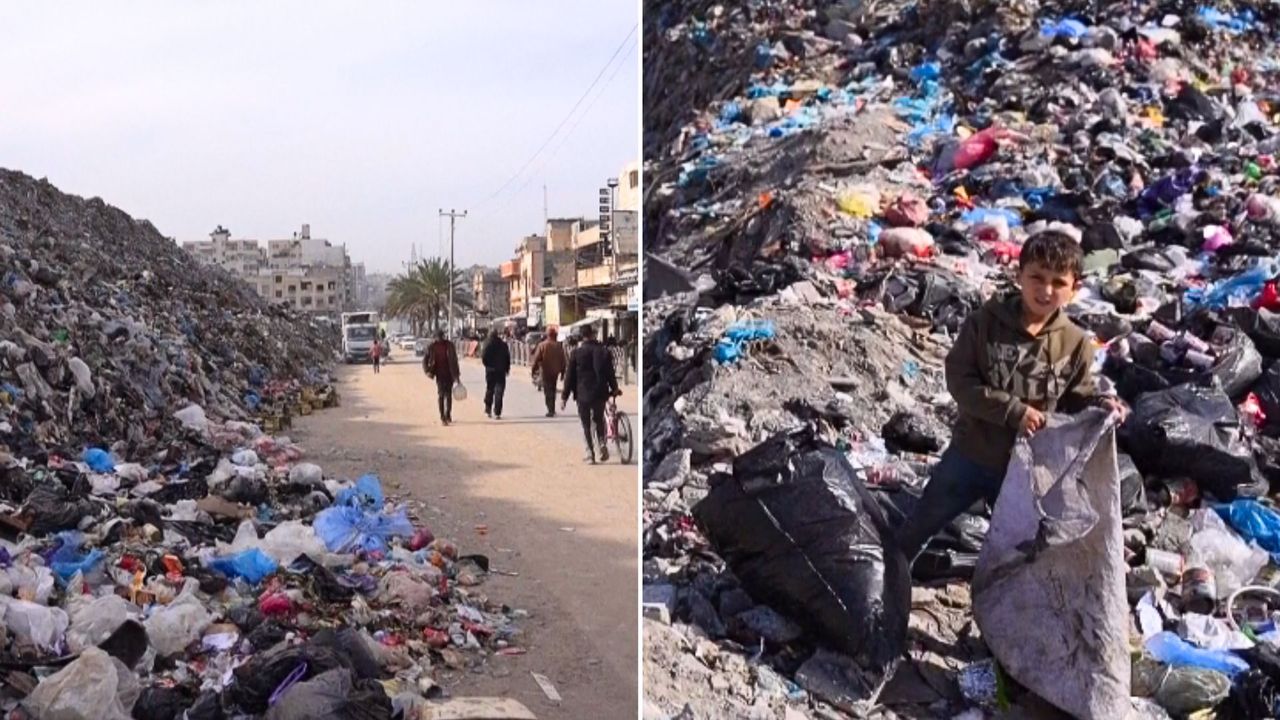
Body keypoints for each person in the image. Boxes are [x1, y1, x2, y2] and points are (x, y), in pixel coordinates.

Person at [896, 231, 1128, 562]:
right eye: (1037, 277)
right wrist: (1013, 411)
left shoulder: (1075, 343)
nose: (1046, 291)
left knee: (1022, 554)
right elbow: (960, 382)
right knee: (917, 530)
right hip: (971, 454)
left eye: (1058, 282)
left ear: (1075, 288)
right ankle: (889, 596)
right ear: (1019, 275)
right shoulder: (984, 324)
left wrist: (1101, 404)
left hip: (1025, 470)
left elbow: (1075, 398)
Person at [562, 324, 620, 463]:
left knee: (586, 424)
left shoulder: (576, 353)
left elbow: (569, 376)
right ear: (593, 335)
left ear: (582, 337)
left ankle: (590, 455)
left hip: (583, 394)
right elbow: (610, 373)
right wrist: (615, 388)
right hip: (600, 392)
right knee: (598, 420)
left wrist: (564, 397)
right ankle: (602, 444)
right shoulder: (603, 351)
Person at [423, 330, 460, 425]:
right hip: (439, 375)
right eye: (438, 337)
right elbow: (425, 359)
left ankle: (448, 415)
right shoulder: (432, 347)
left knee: (448, 395)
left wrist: (456, 375)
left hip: (449, 374)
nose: (439, 338)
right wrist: (427, 371)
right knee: (441, 395)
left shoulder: (450, 345)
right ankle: (442, 417)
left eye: (441, 336)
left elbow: (454, 361)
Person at [531, 327, 567, 417]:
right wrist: (562, 372)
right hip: (555, 372)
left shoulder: (542, 345)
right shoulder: (558, 346)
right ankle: (552, 408)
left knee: (548, 390)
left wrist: (533, 370)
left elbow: (536, 359)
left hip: (545, 371)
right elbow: (563, 360)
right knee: (552, 389)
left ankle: (550, 409)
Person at [481, 326, 511, 419]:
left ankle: (488, 408)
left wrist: (487, 365)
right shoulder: (503, 344)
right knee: (499, 391)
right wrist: (507, 369)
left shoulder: (487, 343)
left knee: (490, 389)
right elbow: (507, 358)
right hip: (501, 371)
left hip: (490, 370)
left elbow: (483, 357)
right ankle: (497, 412)